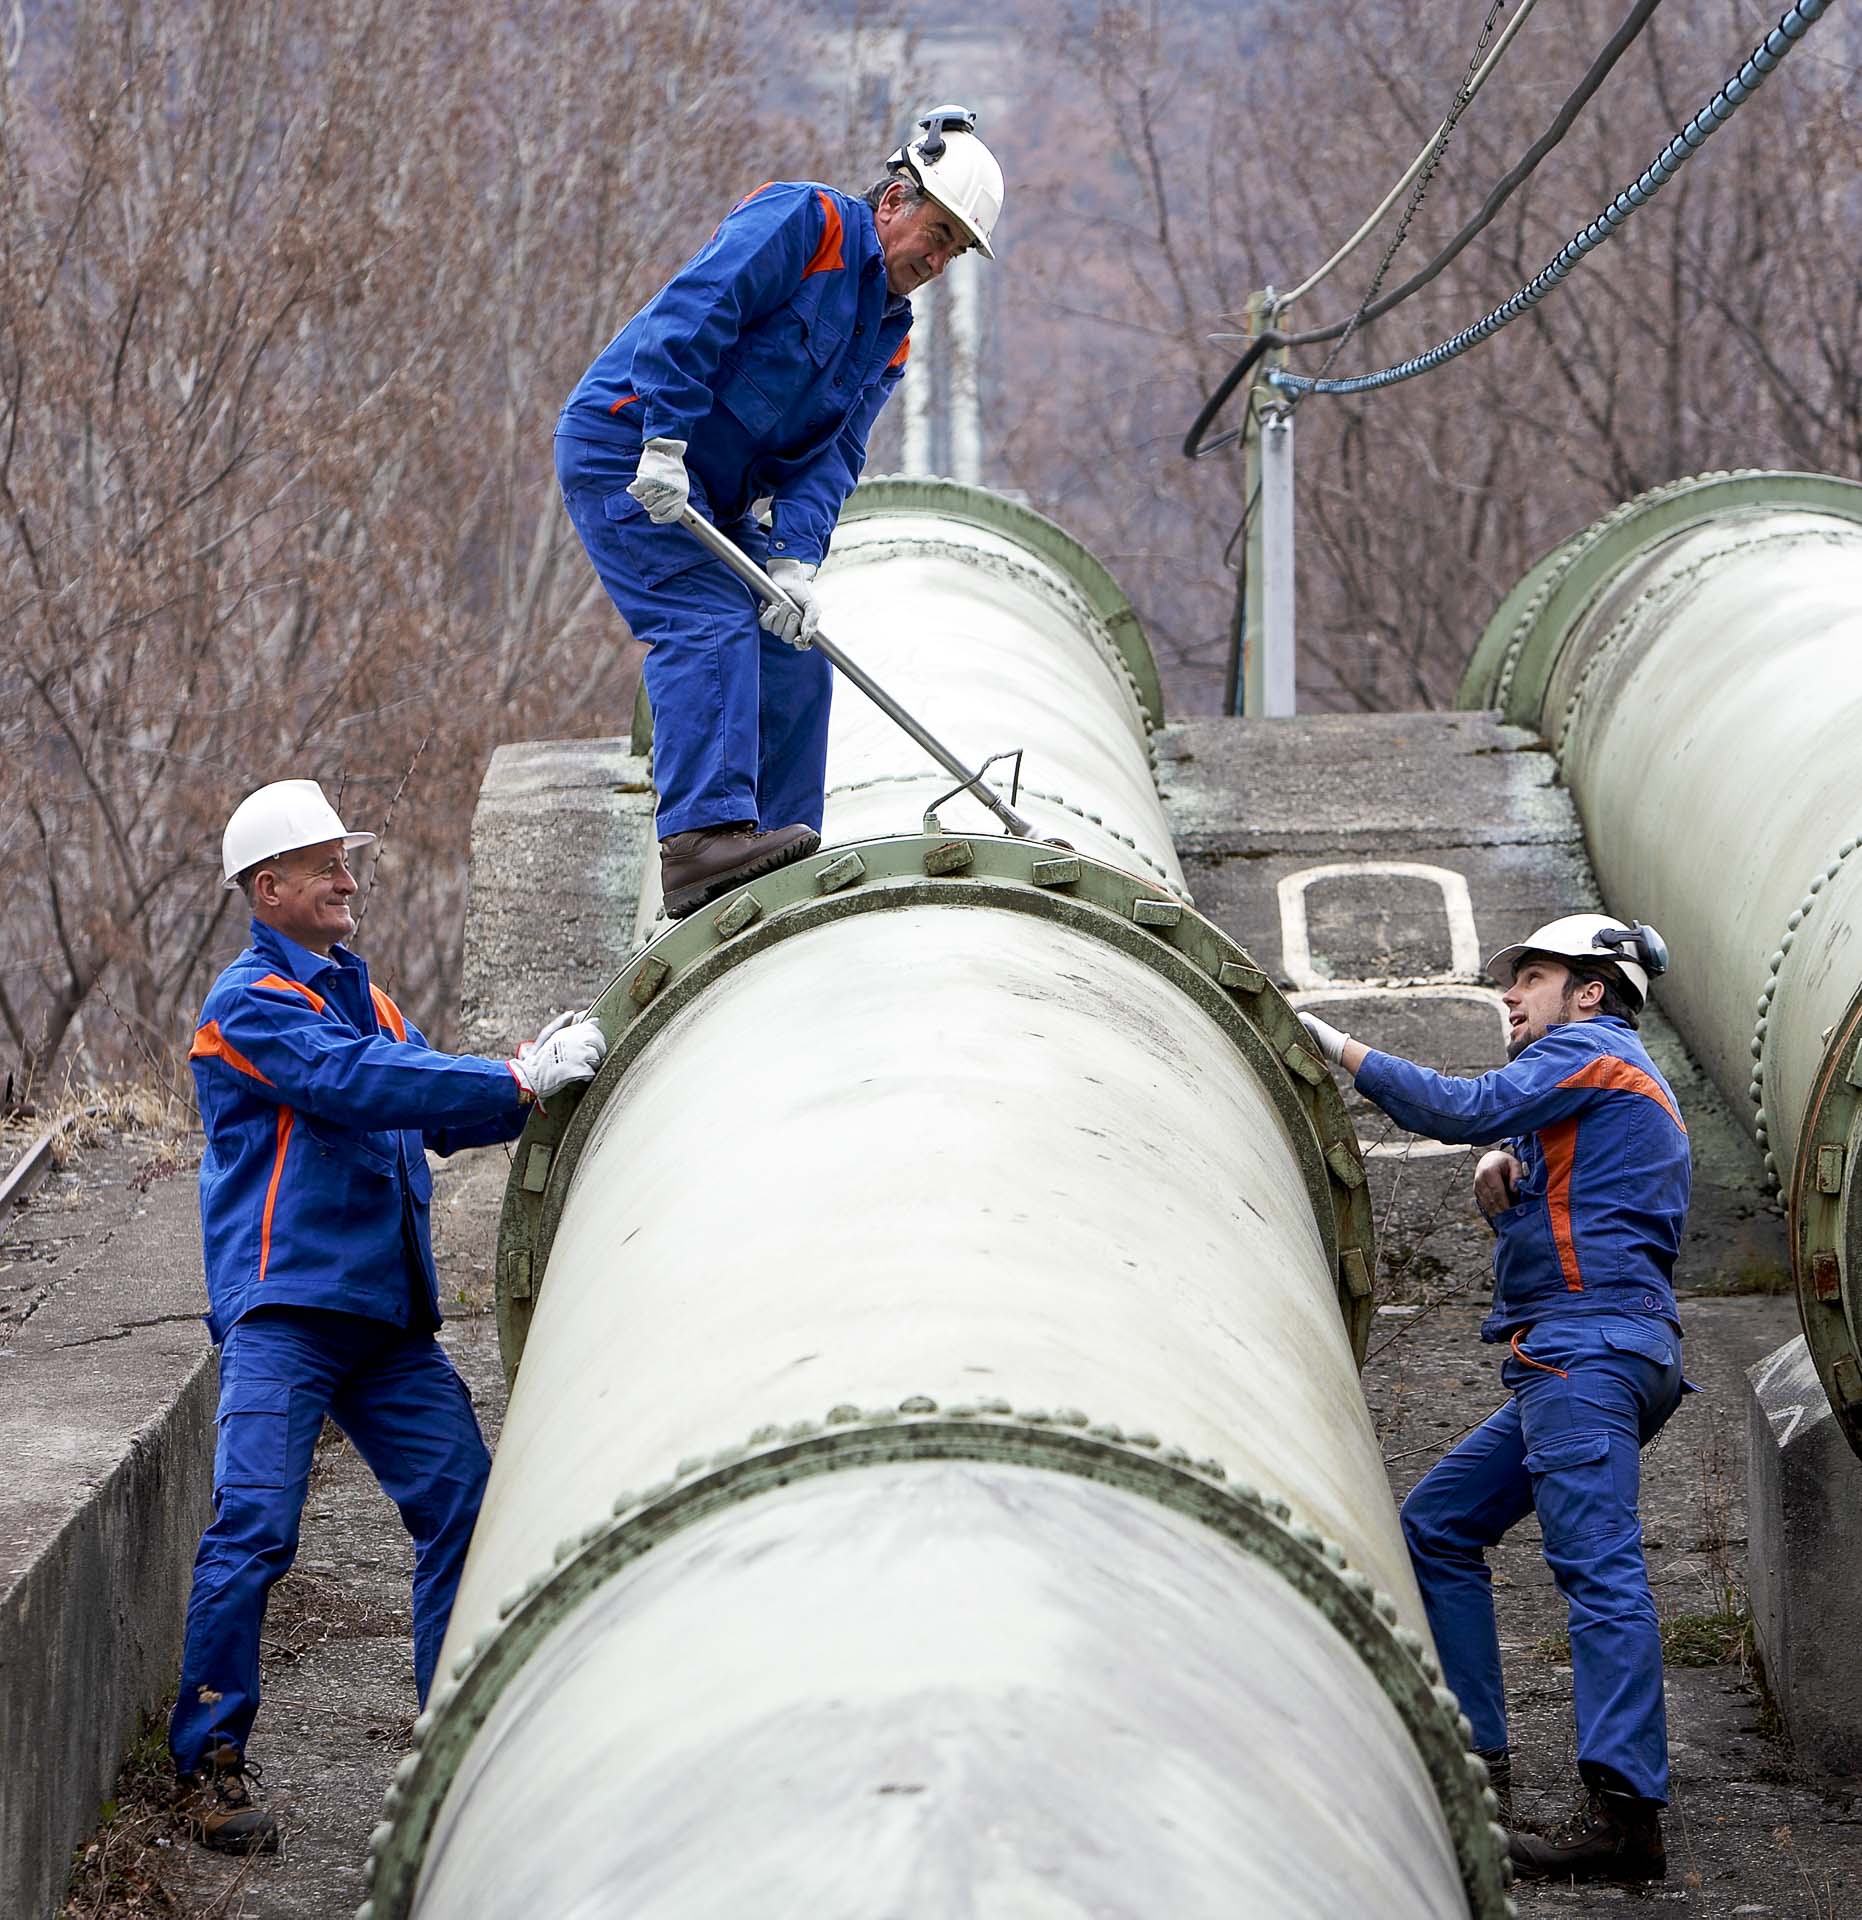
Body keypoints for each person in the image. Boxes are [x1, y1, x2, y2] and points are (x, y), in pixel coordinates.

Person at [170, 780, 607, 1853]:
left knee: (466, 1510)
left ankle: (451, 1744)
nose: (347, 878)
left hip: (385, 1321)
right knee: (255, 1526)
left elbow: (419, 1096)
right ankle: (208, 1767)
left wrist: (528, 1083)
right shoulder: (251, 1005)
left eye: (345, 861)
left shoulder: (364, 999)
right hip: (289, 1314)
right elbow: (353, 1081)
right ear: (268, 889)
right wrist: (511, 1077)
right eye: (325, 865)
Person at [1298, 914, 1689, 1884]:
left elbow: (1459, 1105)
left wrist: (1331, 1044)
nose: (1509, 994)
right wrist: (1504, 1172)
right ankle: (1478, 1770)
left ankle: (1625, 1819)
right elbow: (1575, 1193)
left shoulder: (1590, 1051)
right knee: (1437, 1525)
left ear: (1589, 992)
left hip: (1583, 1357)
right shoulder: (1606, 1082)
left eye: (1532, 978)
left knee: (1597, 1569)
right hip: (1601, 1353)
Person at [555, 106, 1005, 919]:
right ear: (894, 201)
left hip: (712, 494)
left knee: (792, 649)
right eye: (937, 234)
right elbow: (697, 312)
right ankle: (701, 842)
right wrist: (663, 438)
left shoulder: (890, 335)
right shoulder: (808, 224)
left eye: (955, 252)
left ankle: (778, 850)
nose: (938, 260)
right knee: (705, 618)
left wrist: (794, 562)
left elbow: (835, 455)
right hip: (629, 449)